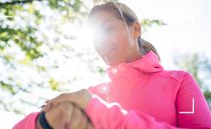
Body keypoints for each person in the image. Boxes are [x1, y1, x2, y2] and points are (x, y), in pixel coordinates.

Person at [13, 2, 211, 129]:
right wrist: (44, 122)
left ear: (135, 29)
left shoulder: (178, 81)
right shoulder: (90, 94)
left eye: (107, 29)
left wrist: (99, 112)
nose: (99, 42)